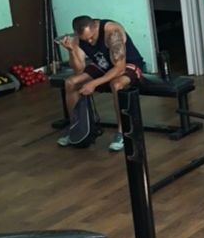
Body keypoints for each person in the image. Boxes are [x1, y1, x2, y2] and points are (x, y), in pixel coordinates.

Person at [58, 15, 146, 151]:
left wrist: (94, 83)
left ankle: (122, 132)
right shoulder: (78, 38)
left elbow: (119, 68)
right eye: (85, 39)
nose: (89, 41)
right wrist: (71, 51)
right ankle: (77, 128)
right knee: (71, 83)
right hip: (103, 64)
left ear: (95, 27)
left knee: (116, 84)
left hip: (128, 64)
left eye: (91, 37)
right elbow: (79, 69)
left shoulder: (112, 32)